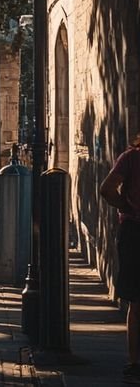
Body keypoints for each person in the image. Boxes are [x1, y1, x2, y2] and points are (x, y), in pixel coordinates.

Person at [99, 133, 140, 383]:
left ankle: (135, 361)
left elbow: (106, 189)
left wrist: (126, 207)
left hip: (134, 231)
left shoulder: (131, 159)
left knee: (136, 301)